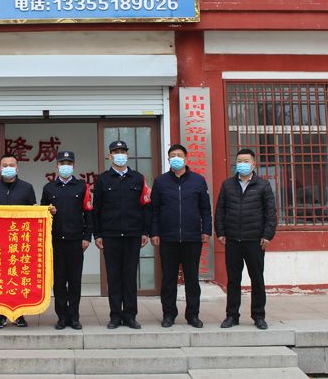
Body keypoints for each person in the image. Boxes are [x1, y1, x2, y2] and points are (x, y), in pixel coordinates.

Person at [150, 144, 212, 329]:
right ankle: (169, 314)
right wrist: (154, 232)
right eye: (172, 155)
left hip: (192, 238)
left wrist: (206, 231)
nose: (176, 158)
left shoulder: (198, 181)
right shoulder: (160, 182)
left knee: (192, 279)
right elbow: (154, 210)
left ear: (186, 158)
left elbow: (205, 209)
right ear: (168, 159)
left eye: (179, 155)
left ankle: (193, 315)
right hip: (168, 238)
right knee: (168, 280)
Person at [215, 148, 277, 330]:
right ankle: (232, 315)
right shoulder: (227, 185)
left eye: (246, 161)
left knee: (257, 279)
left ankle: (258, 316)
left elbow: (271, 213)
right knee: (233, 280)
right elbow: (220, 211)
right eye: (239, 161)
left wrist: (267, 235)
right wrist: (220, 232)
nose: (242, 164)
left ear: (253, 164)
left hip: (254, 240)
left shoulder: (263, 185)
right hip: (233, 240)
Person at [93, 140, 150, 330]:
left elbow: (145, 207)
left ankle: (130, 315)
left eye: (122, 151)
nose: (120, 155)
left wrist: (145, 231)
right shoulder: (102, 180)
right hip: (110, 236)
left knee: (130, 276)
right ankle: (115, 316)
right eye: (116, 152)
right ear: (110, 156)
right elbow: (96, 209)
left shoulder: (138, 178)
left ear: (127, 155)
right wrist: (97, 234)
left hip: (133, 235)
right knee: (114, 277)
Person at [0, 153, 36, 329]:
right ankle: (0, 316)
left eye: (12, 165)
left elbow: (34, 213)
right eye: (5, 165)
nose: (8, 167)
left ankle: (20, 315)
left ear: (17, 168)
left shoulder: (27, 188)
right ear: (0, 168)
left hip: (20, 243)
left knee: (20, 277)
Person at [40, 151, 93, 330]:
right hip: (55, 242)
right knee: (59, 282)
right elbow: (42, 214)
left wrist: (87, 237)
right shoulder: (49, 188)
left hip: (76, 241)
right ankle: (62, 317)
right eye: (62, 163)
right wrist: (49, 211)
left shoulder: (81, 187)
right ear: (57, 165)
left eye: (69, 163)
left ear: (73, 166)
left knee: (75, 282)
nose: (65, 166)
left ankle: (74, 317)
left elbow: (88, 213)